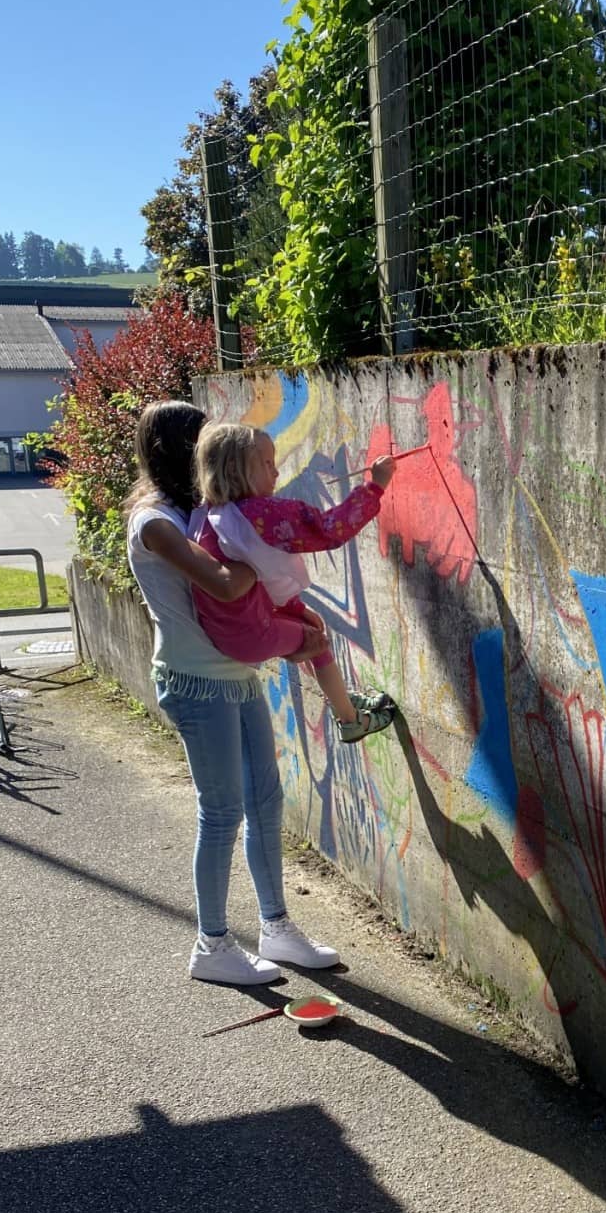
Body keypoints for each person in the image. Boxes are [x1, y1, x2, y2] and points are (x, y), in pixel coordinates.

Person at [125, 400, 340, 985]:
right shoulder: (156, 522)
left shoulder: (206, 515)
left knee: (265, 803)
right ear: (182, 449)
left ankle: (276, 928)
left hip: (235, 678)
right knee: (221, 813)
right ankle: (212, 945)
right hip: (195, 683)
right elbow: (224, 584)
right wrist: (252, 550)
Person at [190, 421, 397, 743]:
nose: (276, 471)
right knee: (316, 640)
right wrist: (376, 486)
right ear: (236, 469)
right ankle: (350, 719)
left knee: (307, 624)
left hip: (228, 627)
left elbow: (258, 577)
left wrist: (296, 608)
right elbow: (330, 529)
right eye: (267, 463)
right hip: (251, 632)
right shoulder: (261, 513)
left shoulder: (210, 514)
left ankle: (341, 699)